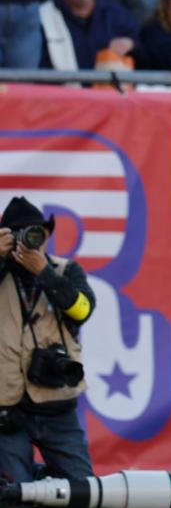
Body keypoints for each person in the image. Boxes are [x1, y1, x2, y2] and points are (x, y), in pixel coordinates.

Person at [0, 196, 96, 484]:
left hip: (56, 402)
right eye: (19, 234)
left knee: (82, 492)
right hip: (7, 409)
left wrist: (43, 272)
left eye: (36, 233)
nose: (29, 241)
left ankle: (43, 475)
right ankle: (27, 476)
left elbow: (83, 310)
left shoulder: (66, 271)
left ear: (47, 235)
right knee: (15, 496)